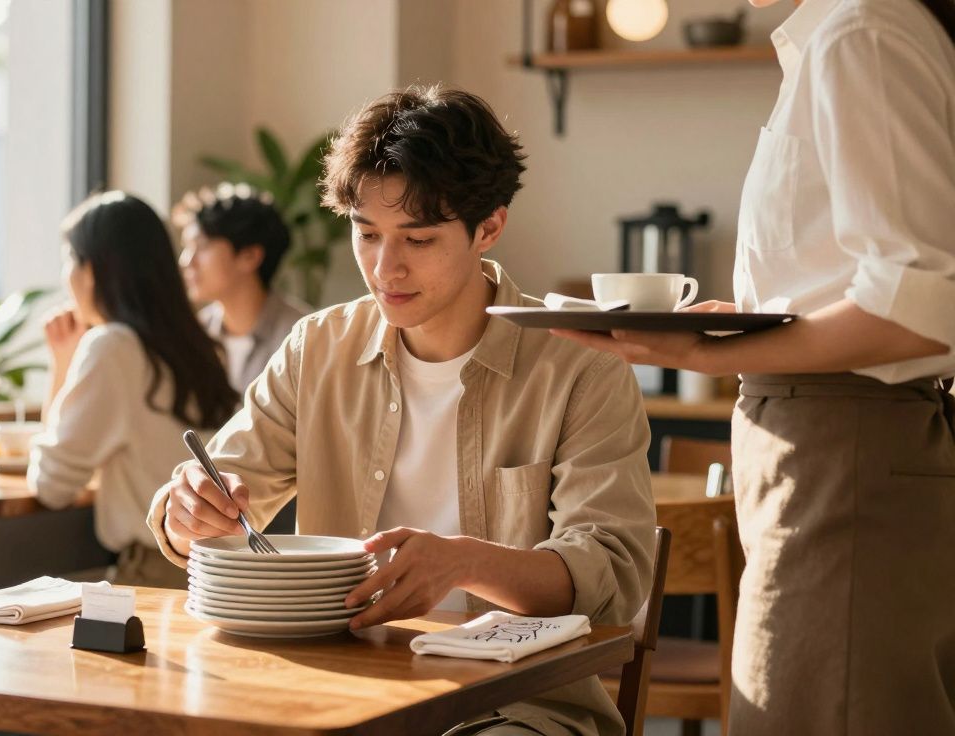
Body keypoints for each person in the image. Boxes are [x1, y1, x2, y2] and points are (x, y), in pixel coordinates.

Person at [147, 86, 656, 735]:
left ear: (489, 227)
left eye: (418, 239)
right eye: (367, 234)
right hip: (337, 690)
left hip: (513, 705)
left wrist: (467, 562)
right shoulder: (318, 348)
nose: (386, 269)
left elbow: (612, 575)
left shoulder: (580, 364)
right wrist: (187, 512)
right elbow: (208, 495)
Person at [551, 0, 955, 732]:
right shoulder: (839, 37)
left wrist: (712, 353)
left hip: (842, 452)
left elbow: (919, 306)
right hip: (824, 449)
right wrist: (741, 324)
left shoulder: (862, 31)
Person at [29, 191, 238, 589]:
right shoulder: (201, 346)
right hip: (216, 575)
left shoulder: (112, 346)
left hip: (153, 576)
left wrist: (62, 363)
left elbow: (51, 485)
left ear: (91, 271)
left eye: (68, 260)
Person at [174, 183, 311, 393]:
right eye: (186, 247)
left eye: (201, 246)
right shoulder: (195, 335)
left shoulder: (303, 337)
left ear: (250, 256)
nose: (186, 261)